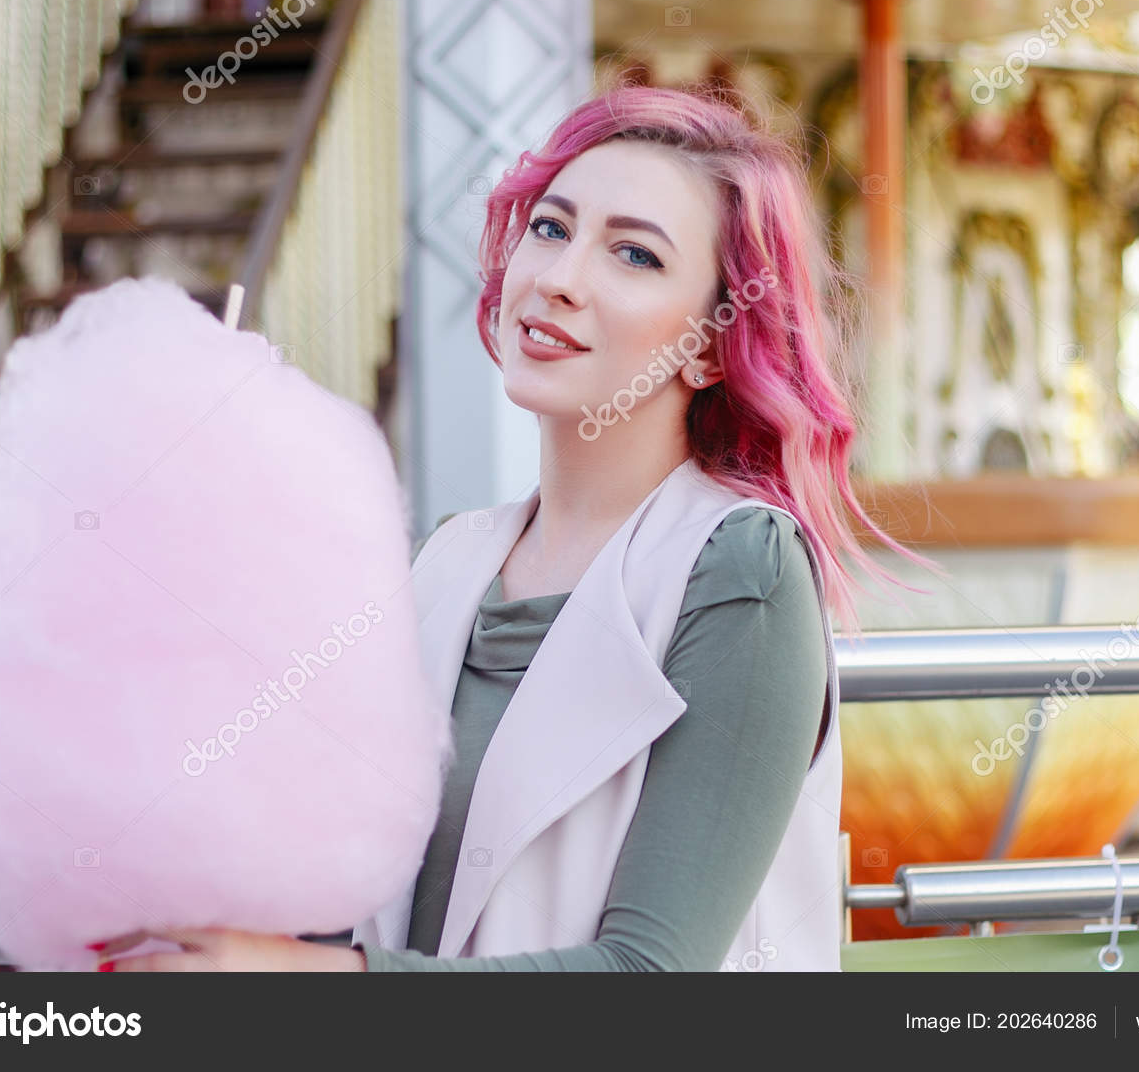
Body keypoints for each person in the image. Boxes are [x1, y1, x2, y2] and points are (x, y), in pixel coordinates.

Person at [95, 83, 928, 972]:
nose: (559, 278)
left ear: (714, 343)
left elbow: (654, 975)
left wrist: (307, 976)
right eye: (552, 228)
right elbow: (367, 908)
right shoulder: (447, 561)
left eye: (635, 256)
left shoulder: (740, 569)